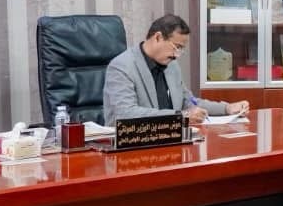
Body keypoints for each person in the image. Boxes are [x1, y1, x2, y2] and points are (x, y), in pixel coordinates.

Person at [103, 14, 249, 126]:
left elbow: (189, 102)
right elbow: (125, 114)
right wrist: (181, 116)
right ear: (158, 37)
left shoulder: (171, 65)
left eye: (181, 49)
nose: (177, 55)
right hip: (131, 146)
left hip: (170, 139)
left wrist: (227, 108)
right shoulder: (121, 66)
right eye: (176, 47)